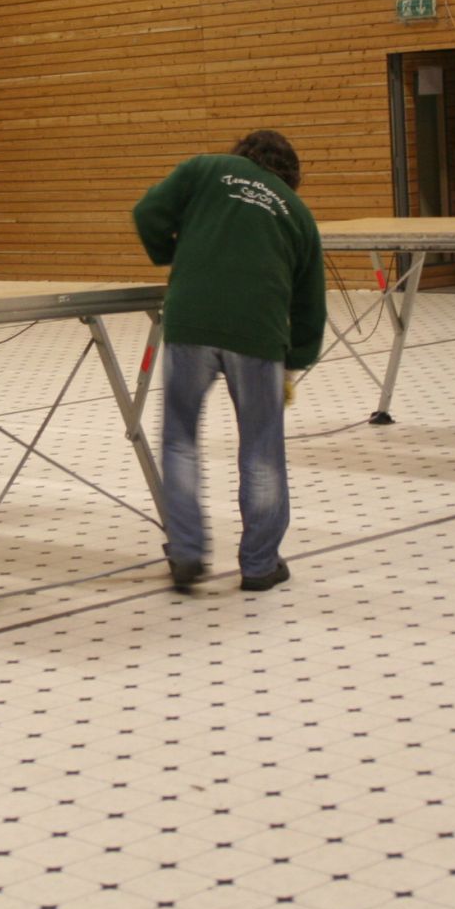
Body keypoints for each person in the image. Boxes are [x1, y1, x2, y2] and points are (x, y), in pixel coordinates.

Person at [132, 130, 325, 594]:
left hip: (191, 324)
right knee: (261, 452)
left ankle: (187, 554)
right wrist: (294, 361)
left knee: (180, 440)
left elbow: (147, 213)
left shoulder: (206, 168)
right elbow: (310, 303)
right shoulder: (297, 213)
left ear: (243, 154)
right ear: (291, 175)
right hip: (258, 335)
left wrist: (172, 254)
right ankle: (259, 565)